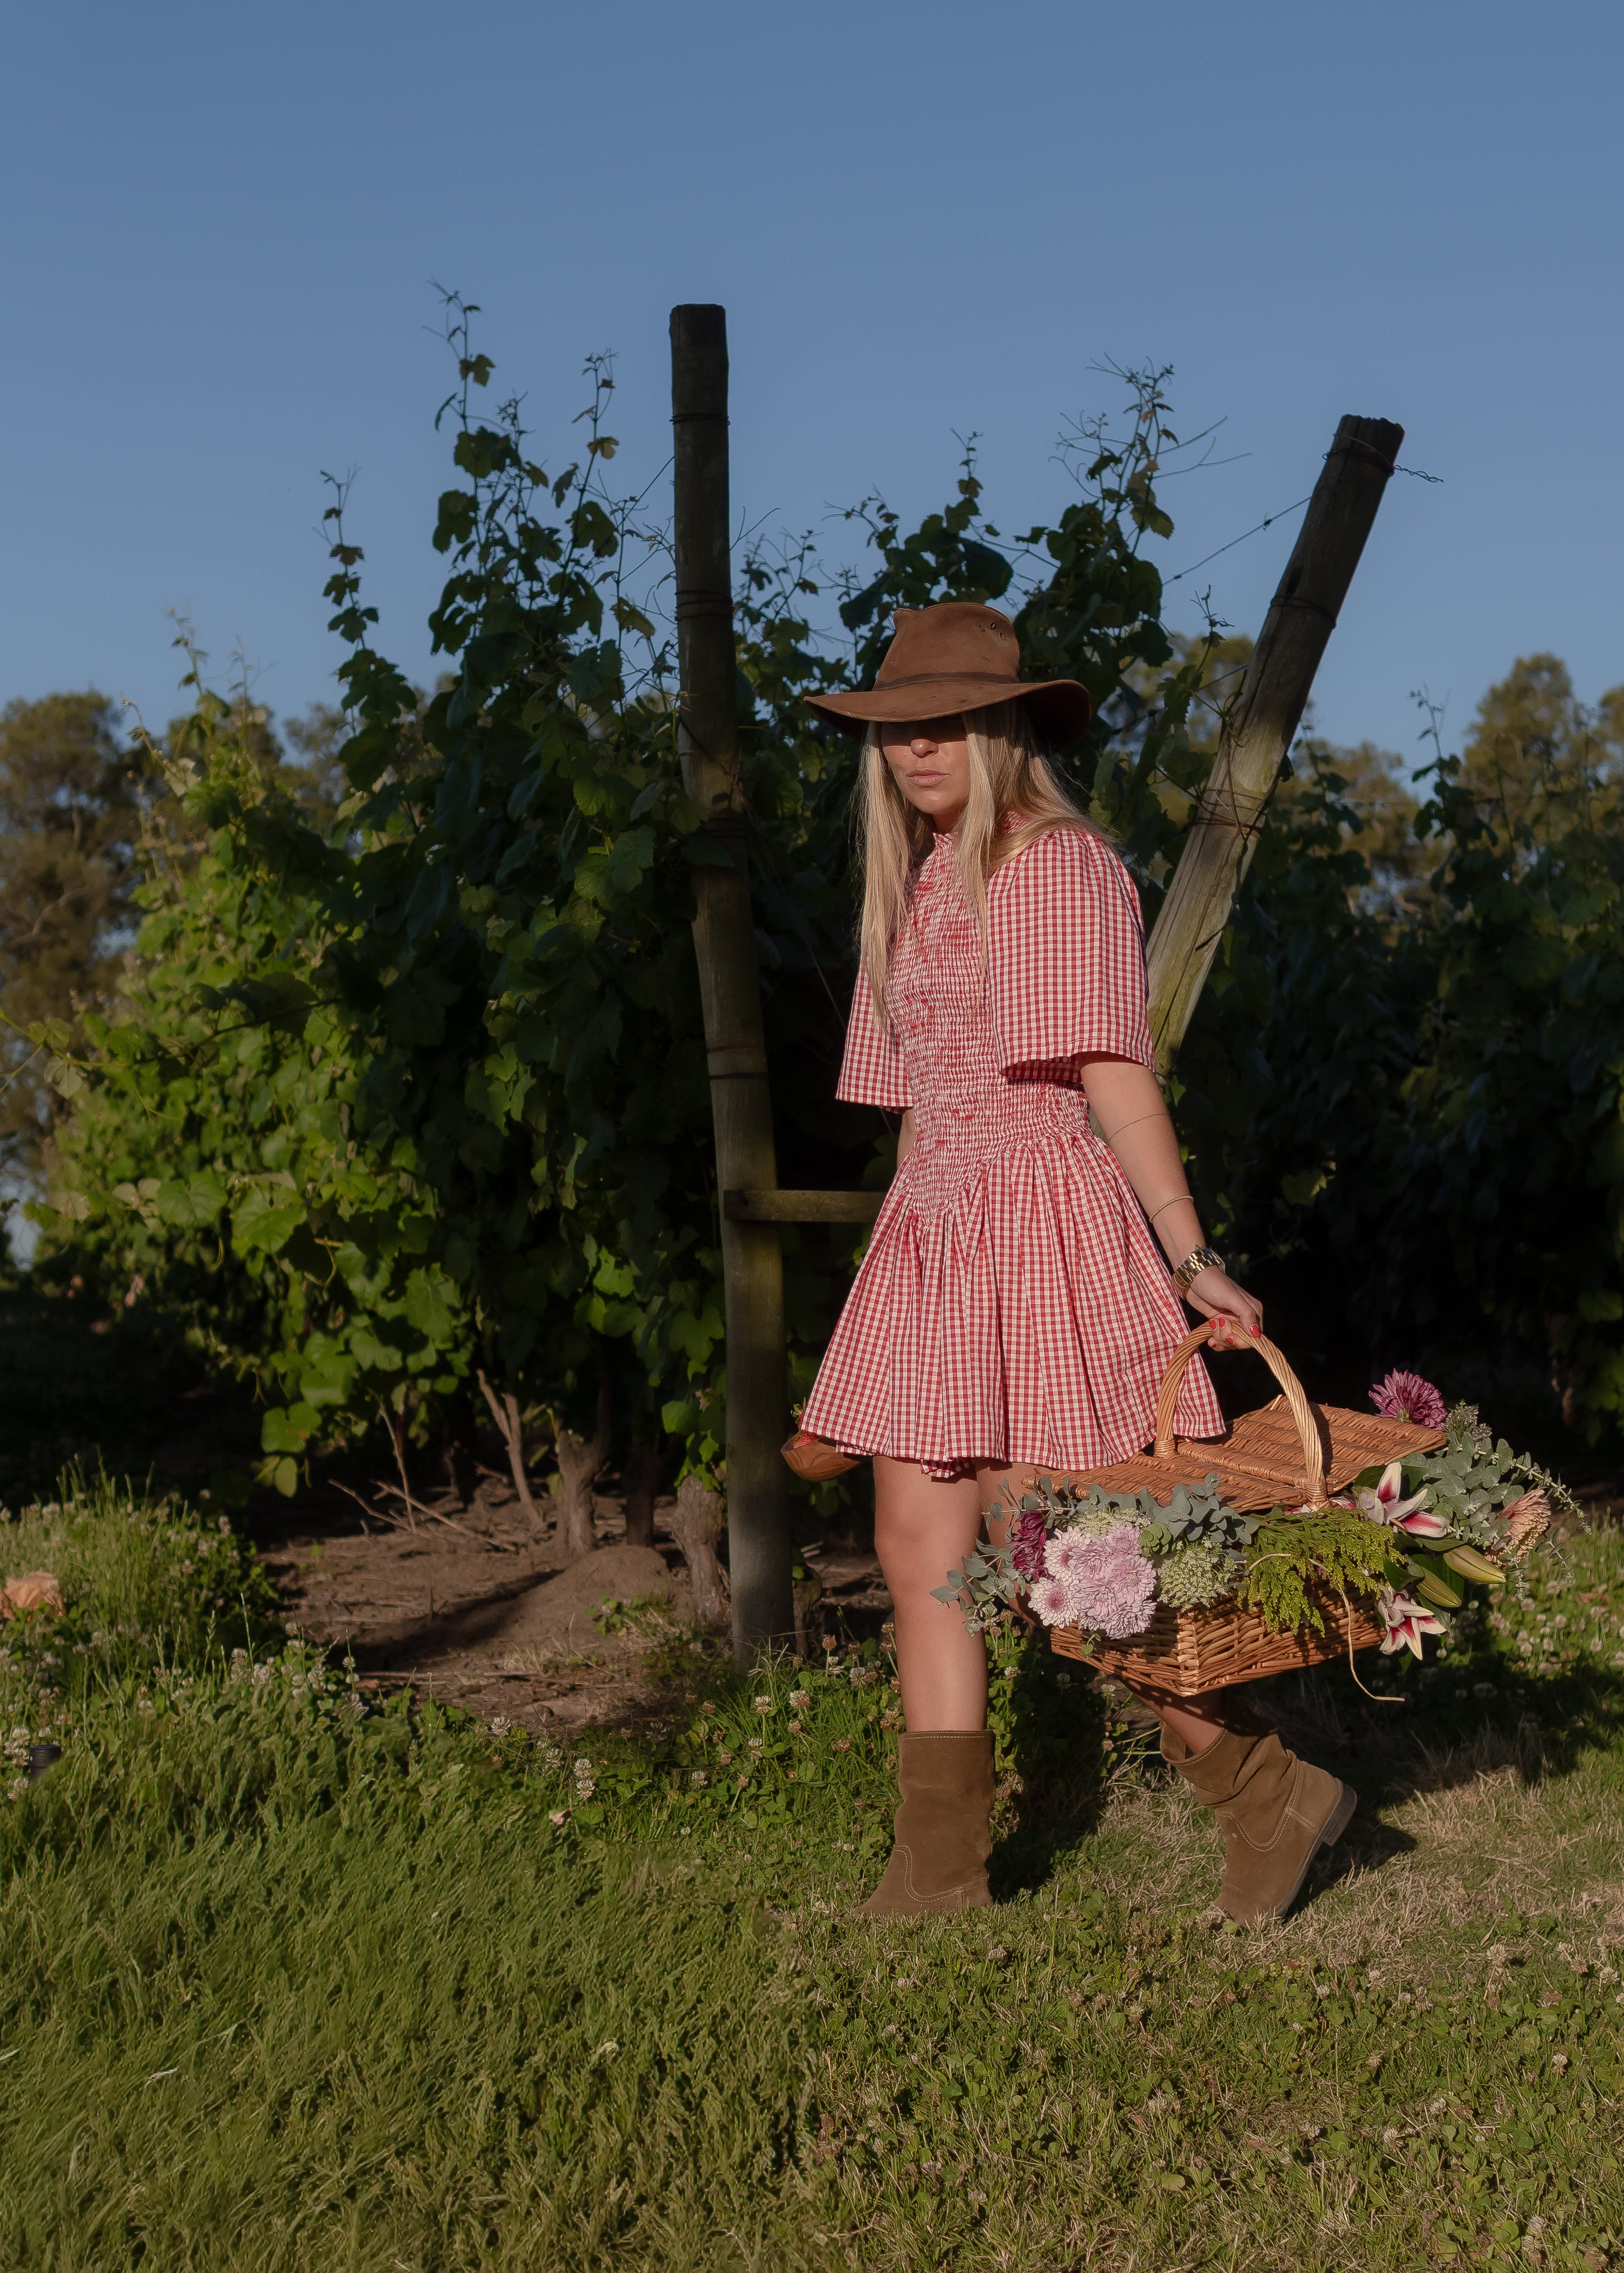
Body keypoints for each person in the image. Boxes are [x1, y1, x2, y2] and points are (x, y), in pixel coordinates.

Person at [797, 601, 1354, 1924]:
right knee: (913, 1541)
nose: (915, 750)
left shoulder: (1055, 865)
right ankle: (937, 1877)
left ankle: (1268, 1793)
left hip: (1044, 1228)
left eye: (943, 725)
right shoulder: (922, 876)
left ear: (1003, 730)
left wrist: (1187, 1253)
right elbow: (925, 1101)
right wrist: (904, 1268)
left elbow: (1113, 1071)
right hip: (938, 1232)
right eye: (893, 730)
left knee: (1064, 1559)